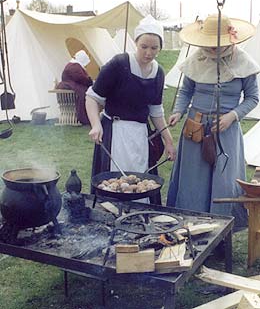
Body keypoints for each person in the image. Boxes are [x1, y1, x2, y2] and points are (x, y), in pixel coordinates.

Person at [167, 14, 260, 230]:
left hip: (226, 130)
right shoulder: (196, 60)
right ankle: (190, 226)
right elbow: (186, 91)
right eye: (208, 45)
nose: (210, 50)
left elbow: (253, 98)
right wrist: (179, 111)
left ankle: (221, 230)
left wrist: (232, 115)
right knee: (193, 179)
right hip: (196, 127)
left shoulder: (243, 62)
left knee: (224, 181)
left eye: (215, 46)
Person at [85, 15, 176, 204]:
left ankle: (139, 218)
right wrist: (95, 125)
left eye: (154, 48)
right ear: (136, 43)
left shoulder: (158, 72)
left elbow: (156, 111)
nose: (148, 53)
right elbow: (92, 97)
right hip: (114, 132)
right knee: (113, 183)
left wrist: (168, 140)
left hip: (140, 135)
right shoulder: (119, 64)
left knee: (141, 182)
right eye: (144, 47)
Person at [57, 50, 93, 125]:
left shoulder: (74, 65)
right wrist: (90, 81)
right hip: (69, 85)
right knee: (84, 93)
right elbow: (81, 78)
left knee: (85, 91)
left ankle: (86, 116)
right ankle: (83, 118)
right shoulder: (74, 66)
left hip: (71, 84)